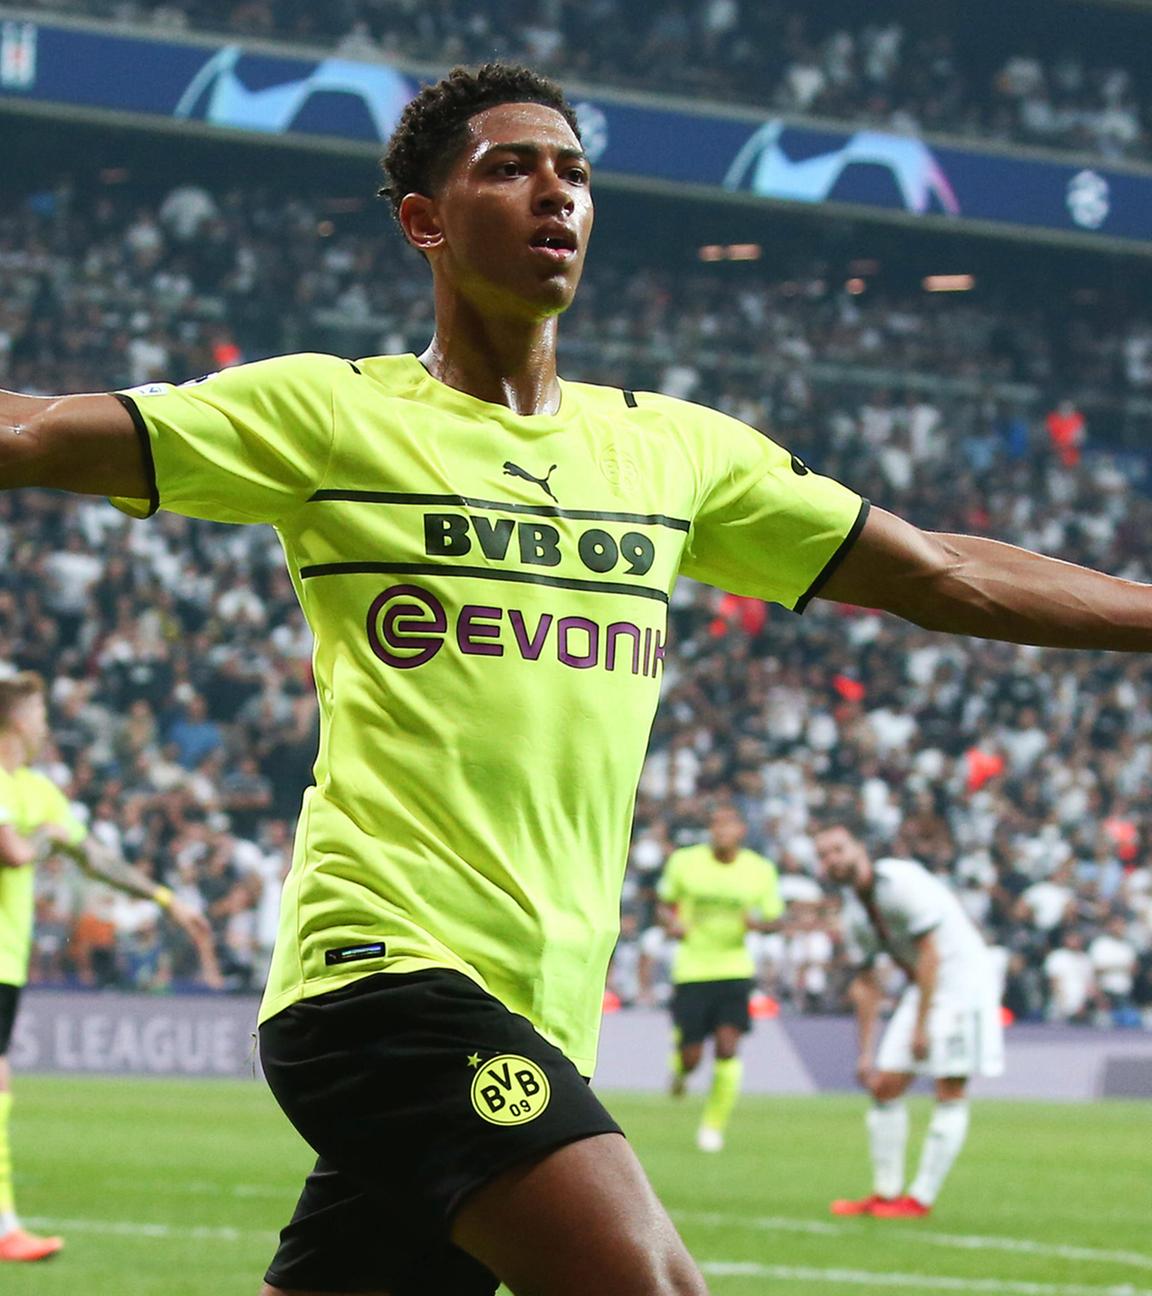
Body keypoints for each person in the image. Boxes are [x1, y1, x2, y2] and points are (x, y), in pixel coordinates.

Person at [4, 60, 1152, 1296]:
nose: (555, 192)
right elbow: (34, 430)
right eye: (510, 168)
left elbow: (942, 571)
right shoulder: (330, 415)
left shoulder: (674, 453)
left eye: (575, 172)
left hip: (541, 1007)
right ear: (424, 220)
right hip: (384, 979)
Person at [0, 672, 208, 1263]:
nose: (45, 725)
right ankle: (4, 1227)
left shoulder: (38, 791)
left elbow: (93, 856)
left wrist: (165, 900)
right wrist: (45, 838)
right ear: (16, 718)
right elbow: (15, 851)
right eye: (40, 714)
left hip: (7, 963)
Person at [813, 821, 1004, 1219]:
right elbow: (867, 985)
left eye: (838, 849)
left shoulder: (900, 882)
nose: (832, 860)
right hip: (926, 986)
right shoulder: (854, 914)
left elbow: (931, 953)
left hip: (962, 981)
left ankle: (920, 1198)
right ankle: (885, 1193)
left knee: (949, 1086)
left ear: (858, 848)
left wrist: (921, 1027)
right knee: (884, 1086)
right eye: (823, 855)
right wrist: (864, 1053)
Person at [657, 806, 781, 1152]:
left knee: (728, 1048)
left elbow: (775, 918)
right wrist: (671, 923)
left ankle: (712, 1127)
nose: (721, 831)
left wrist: (760, 925)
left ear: (741, 830)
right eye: (715, 824)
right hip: (692, 969)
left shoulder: (759, 870)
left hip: (734, 969)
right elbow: (664, 904)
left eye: (728, 825)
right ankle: (680, 1071)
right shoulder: (685, 862)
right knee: (692, 1057)